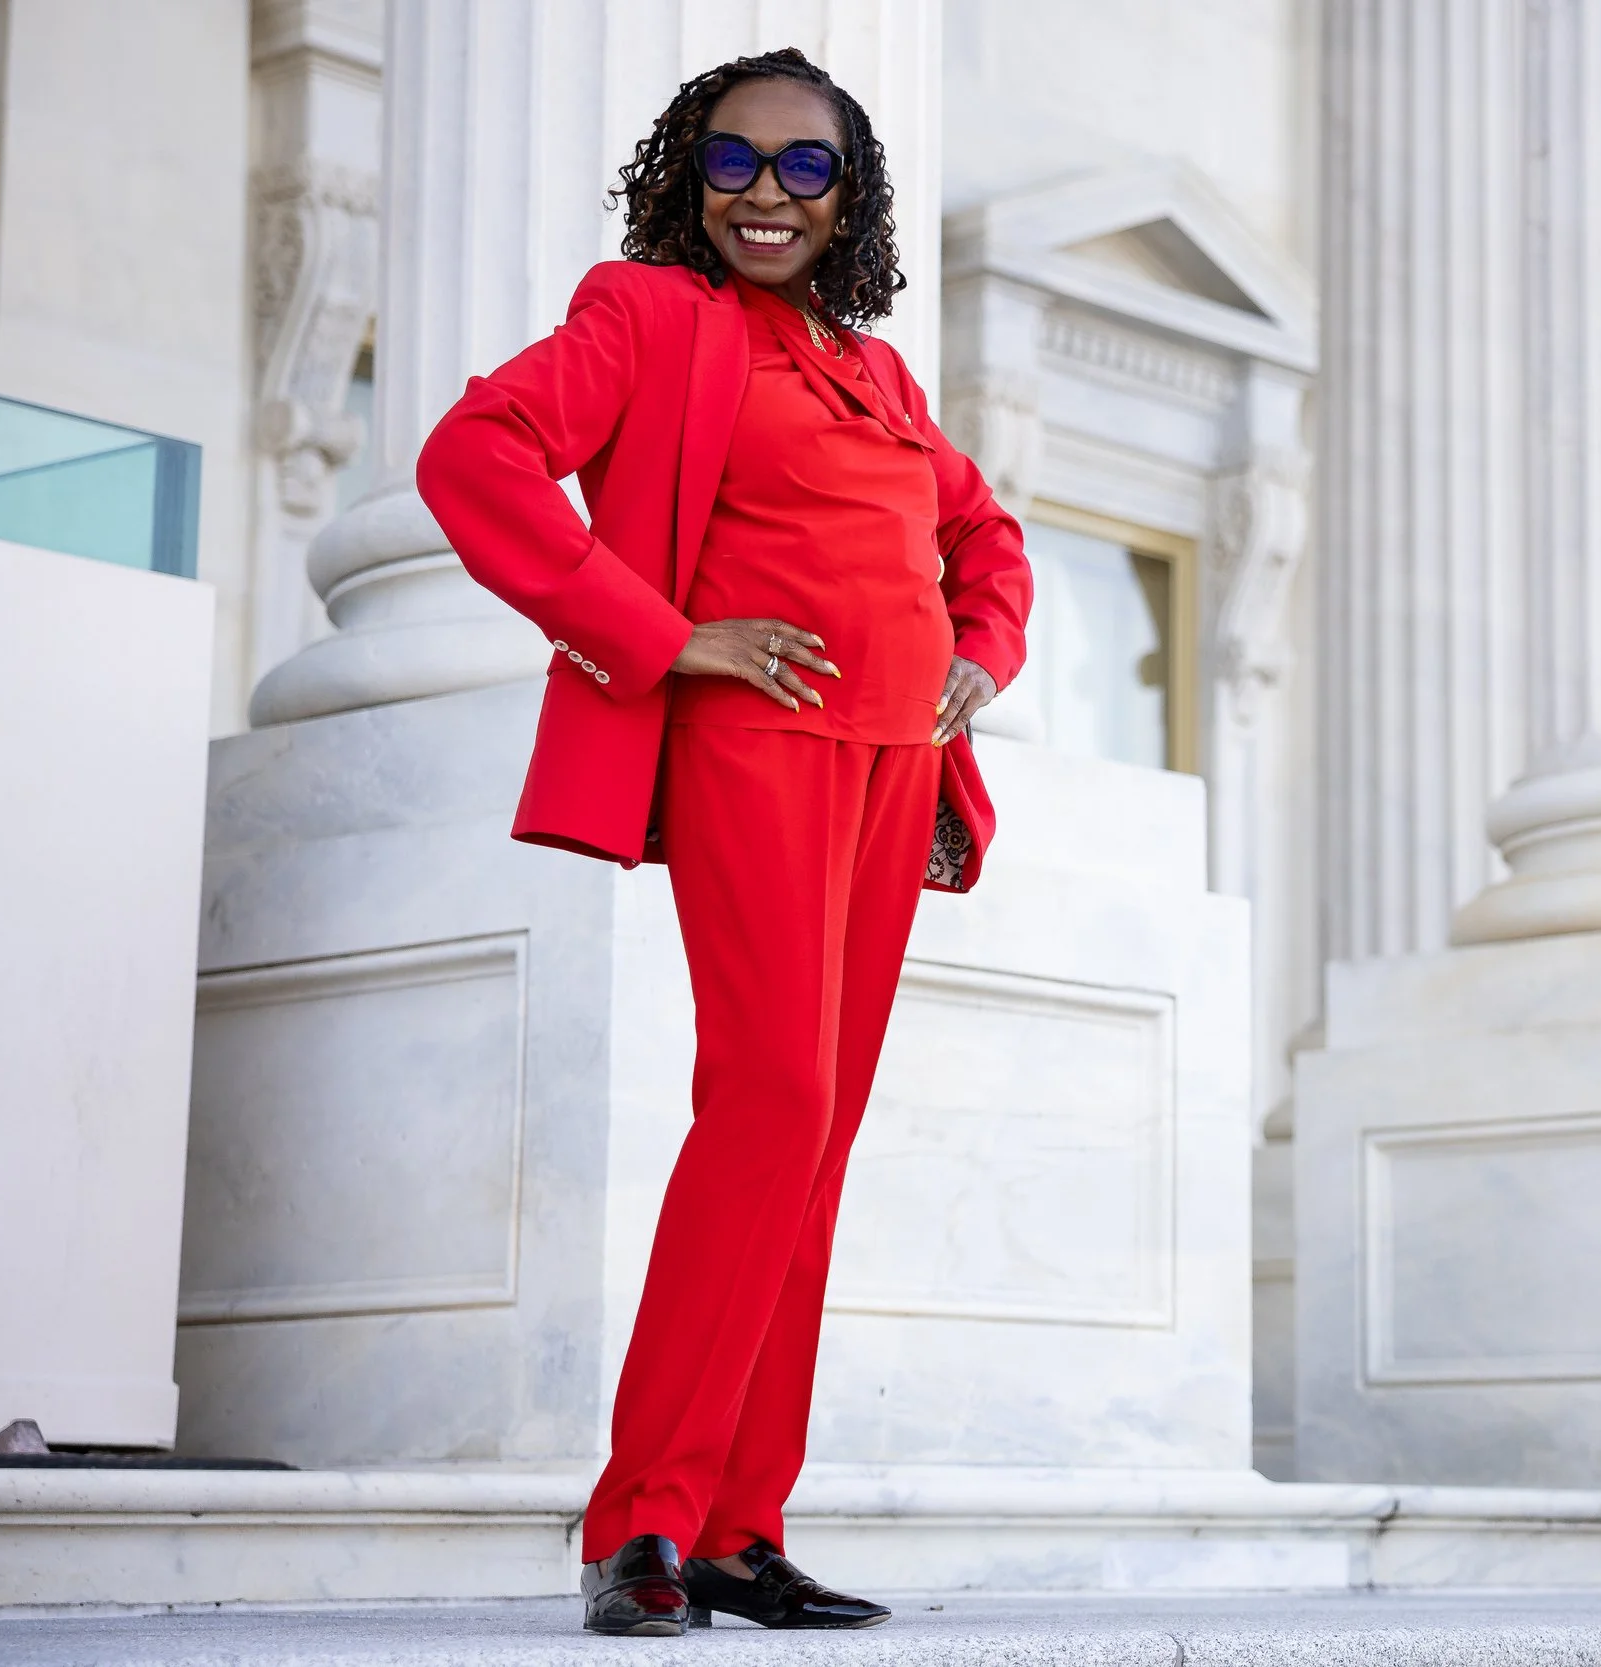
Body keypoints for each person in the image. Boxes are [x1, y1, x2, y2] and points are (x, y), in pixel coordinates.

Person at [416, 47, 1032, 1637]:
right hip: (762, 753)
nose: (768, 193)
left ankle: (744, 1528)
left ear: (851, 197)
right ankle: (641, 1523)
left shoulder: (876, 374)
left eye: (806, 169)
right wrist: (660, 633)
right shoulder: (648, 317)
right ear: (690, 177)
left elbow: (984, 530)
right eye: (737, 162)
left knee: (809, 1151)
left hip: (902, 771)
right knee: (772, 1099)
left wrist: (985, 646)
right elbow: (471, 455)